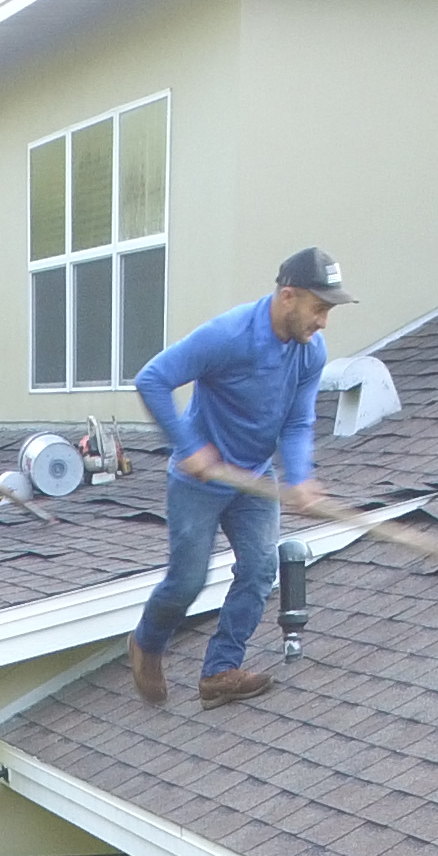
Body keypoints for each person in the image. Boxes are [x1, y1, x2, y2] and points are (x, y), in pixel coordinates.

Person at [126, 248, 349, 708]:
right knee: (186, 582)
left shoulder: (310, 353)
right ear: (289, 297)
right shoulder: (228, 336)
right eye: (319, 307)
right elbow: (152, 379)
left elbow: (296, 422)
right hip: (199, 482)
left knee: (259, 569)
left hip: (255, 478)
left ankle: (220, 672)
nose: (323, 321)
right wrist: (189, 446)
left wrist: (301, 476)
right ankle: (147, 643)